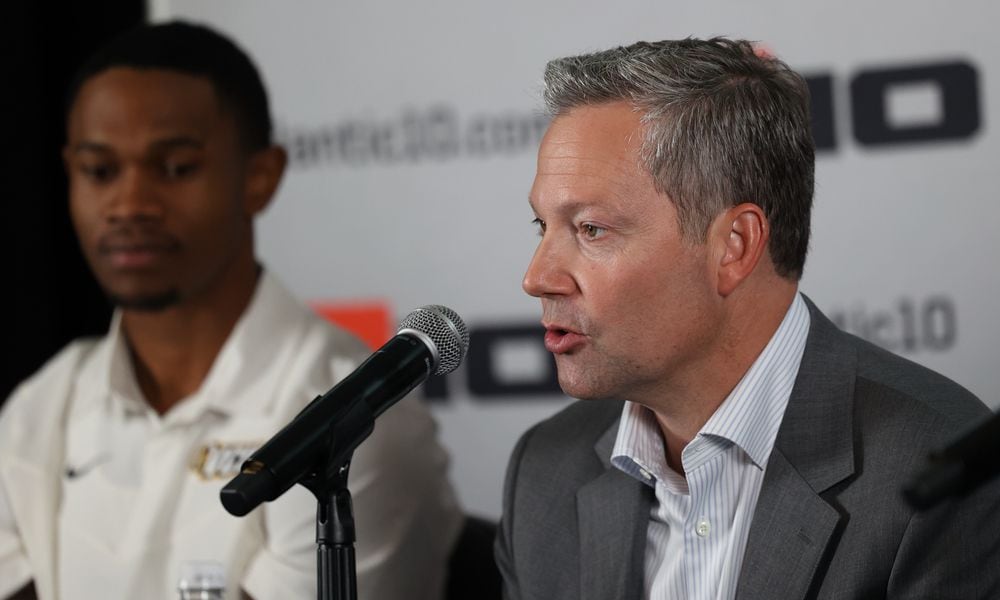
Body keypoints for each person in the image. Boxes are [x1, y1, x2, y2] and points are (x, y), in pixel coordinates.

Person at [495, 37, 1000, 599]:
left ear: (734, 246)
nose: (537, 277)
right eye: (542, 227)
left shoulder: (942, 475)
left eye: (591, 229)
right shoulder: (544, 472)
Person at [0, 21, 462, 600]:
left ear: (260, 177)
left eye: (175, 167)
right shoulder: (40, 407)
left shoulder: (352, 415)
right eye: (100, 171)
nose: (128, 203)